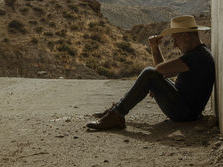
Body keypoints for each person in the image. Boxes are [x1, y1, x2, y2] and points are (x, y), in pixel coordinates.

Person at [86, 15, 215, 130]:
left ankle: (117, 113)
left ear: (186, 36)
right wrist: (156, 82)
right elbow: (163, 72)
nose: (175, 45)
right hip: (185, 108)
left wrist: (154, 81)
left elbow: (159, 70)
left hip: (185, 113)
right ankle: (115, 112)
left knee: (149, 72)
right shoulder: (198, 54)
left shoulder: (197, 56)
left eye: (176, 39)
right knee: (151, 74)